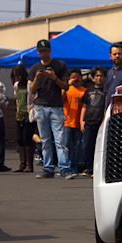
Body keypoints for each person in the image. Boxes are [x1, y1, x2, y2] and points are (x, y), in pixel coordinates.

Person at [29, 39, 71, 179]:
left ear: (50, 50)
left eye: (45, 50)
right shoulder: (35, 68)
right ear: (38, 52)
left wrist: (54, 78)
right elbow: (32, 90)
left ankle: (64, 168)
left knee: (60, 139)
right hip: (40, 106)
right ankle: (48, 168)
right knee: (45, 139)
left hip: (56, 106)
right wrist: (37, 78)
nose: (43, 53)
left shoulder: (60, 65)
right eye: (41, 51)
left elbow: (66, 86)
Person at [80, 65, 107, 177]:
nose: (99, 78)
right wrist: (81, 120)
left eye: (101, 76)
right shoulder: (89, 90)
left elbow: (106, 107)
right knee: (86, 145)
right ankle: (88, 167)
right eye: (96, 76)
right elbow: (84, 106)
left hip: (99, 122)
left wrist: (104, 120)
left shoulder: (106, 90)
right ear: (92, 77)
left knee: (98, 147)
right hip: (88, 121)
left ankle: (97, 169)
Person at [10, 64, 36, 172]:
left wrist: (32, 104)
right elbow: (16, 98)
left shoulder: (29, 84)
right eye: (15, 75)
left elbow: (35, 95)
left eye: (19, 75)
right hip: (19, 114)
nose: (17, 77)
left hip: (29, 113)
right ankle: (22, 164)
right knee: (20, 139)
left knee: (27, 139)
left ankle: (29, 165)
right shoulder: (16, 85)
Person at [62, 68, 86, 176]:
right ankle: (65, 166)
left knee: (77, 147)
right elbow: (60, 97)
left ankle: (74, 167)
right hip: (67, 122)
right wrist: (67, 84)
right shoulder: (67, 89)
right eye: (73, 78)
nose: (75, 80)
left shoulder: (84, 91)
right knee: (65, 145)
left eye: (77, 77)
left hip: (78, 123)